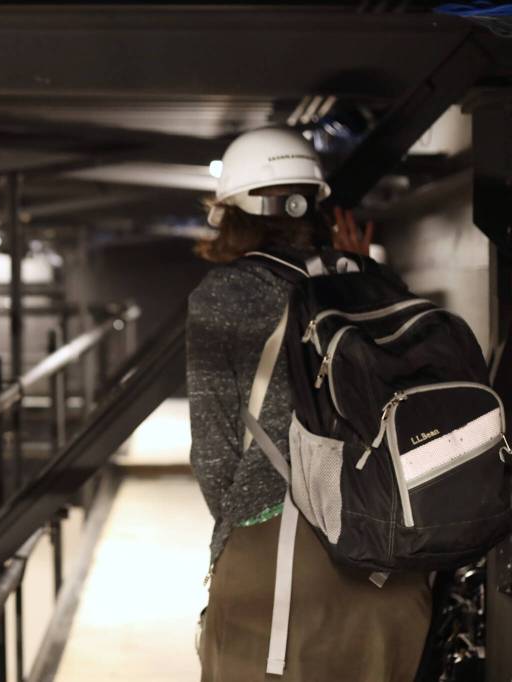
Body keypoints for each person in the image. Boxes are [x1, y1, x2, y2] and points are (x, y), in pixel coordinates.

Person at [188, 127, 431, 680]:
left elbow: (215, 452)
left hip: (278, 565)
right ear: (314, 202)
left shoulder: (224, 294)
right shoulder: (375, 282)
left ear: (231, 211)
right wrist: (364, 273)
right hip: (392, 558)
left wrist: (239, 525)